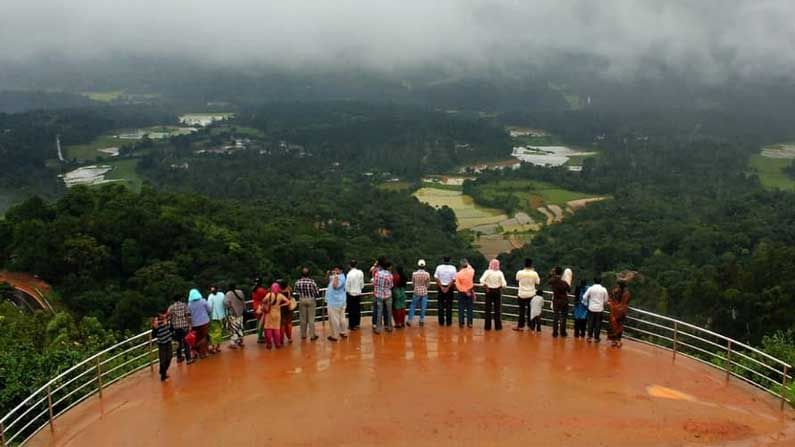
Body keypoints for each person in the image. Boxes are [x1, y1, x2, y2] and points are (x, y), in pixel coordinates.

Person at [479, 259, 507, 331]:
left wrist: (486, 287)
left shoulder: (487, 272)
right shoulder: (500, 273)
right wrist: (499, 287)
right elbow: (504, 284)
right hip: (497, 291)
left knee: (488, 309)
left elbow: (481, 280)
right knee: (497, 310)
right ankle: (498, 327)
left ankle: (487, 327)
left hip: (489, 291)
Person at [514, 259, 540, 331]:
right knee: (530, 311)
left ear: (524, 264)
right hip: (531, 294)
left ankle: (520, 326)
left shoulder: (519, 272)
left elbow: (517, 279)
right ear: (531, 265)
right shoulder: (534, 273)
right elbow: (538, 282)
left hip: (521, 293)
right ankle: (530, 326)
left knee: (521, 311)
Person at [295, 268, 321, 341]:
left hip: (302, 299)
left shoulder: (298, 282)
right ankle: (312, 336)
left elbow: (296, 291)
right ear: (309, 274)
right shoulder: (312, 282)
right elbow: (317, 292)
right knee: (311, 319)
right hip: (311, 299)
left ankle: (303, 335)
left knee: (303, 319)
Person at [261, 283, 289, 349]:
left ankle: (269, 344)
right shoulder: (280, 295)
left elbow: (263, 301)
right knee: (276, 329)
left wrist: (266, 304)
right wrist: (281, 305)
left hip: (269, 313)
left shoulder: (269, 295)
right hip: (277, 314)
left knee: (268, 328)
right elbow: (288, 302)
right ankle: (278, 344)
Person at [167, 295, 192, 364]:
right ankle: (188, 359)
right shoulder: (184, 305)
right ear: (180, 299)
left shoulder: (171, 307)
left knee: (178, 343)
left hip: (176, 328)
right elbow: (187, 315)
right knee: (186, 343)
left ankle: (179, 357)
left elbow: (168, 316)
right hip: (184, 326)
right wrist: (189, 324)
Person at [325, 266, 348, 341]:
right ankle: (343, 332)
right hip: (340, 301)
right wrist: (328, 274)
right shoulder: (337, 276)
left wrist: (335, 276)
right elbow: (326, 281)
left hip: (335, 302)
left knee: (334, 320)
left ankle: (334, 336)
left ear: (341, 270)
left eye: (336, 270)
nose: (335, 271)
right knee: (342, 318)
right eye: (334, 270)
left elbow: (335, 286)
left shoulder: (340, 277)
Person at [372, 257, 394, 334]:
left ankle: (378, 329)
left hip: (378, 295)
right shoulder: (390, 275)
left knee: (379, 312)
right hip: (387, 295)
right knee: (388, 311)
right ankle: (389, 327)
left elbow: (374, 283)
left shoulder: (377, 274)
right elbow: (391, 286)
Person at [187, 288, 211, 359]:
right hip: (205, 322)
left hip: (195, 324)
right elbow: (209, 309)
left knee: (197, 338)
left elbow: (189, 315)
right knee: (204, 337)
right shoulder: (203, 301)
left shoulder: (189, 304)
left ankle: (196, 351)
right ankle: (203, 353)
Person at [584, 277, 609, 343]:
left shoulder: (591, 288)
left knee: (590, 323)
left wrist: (587, 303)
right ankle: (596, 338)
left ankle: (589, 337)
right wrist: (603, 303)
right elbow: (606, 300)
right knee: (598, 324)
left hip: (591, 308)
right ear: (601, 281)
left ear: (594, 281)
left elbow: (584, 297)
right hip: (600, 309)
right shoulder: (604, 289)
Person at [434, 256, 457, 326]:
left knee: (440, 305)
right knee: (449, 305)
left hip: (441, 287)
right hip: (450, 288)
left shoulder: (439, 267)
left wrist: (441, 286)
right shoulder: (453, 268)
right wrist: (448, 287)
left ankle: (441, 322)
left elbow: (436, 277)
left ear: (443, 260)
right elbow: (454, 279)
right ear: (449, 261)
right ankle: (448, 322)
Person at [548, 267, 571, 337]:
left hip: (556, 300)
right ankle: (563, 332)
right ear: (561, 273)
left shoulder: (553, 281)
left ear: (555, 273)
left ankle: (555, 333)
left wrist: (551, 274)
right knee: (563, 317)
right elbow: (569, 290)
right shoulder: (564, 283)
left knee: (556, 316)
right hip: (564, 300)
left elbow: (548, 280)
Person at [608, 281, 632, 348]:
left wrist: (613, 307)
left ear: (618, 285)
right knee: (620, 326)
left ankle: (613, 341)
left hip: (614, 311)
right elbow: (627, 302)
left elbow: (610, 299)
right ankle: (618, 341)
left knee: (613, 326)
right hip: (622, 312)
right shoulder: (627, 293)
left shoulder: (614, 292)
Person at [152, 312, 174, 382]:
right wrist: (155, 328)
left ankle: (163, 371)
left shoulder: (167, 322)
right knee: (163, 360)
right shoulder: (156, 325)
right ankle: (163, 376)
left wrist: (167, 323)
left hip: (168, 341)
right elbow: (154, 335)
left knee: (169, 357)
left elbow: (172, 329)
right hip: (161, 344)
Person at [408, 259, 430, 327]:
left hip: (416, 292)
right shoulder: (427, 274)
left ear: (418, 265)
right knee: (423, 307)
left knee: (413, 306)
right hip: (424, 292)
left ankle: (410, 320)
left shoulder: (414, 274)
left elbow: (413, 284)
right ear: (424, 266)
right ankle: (421, 320)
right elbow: (428, 284)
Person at [224, 283, 246, 349]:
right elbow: (243, 301)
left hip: (233, 314)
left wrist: (230, 306)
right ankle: (241, 341)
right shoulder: (240, 292)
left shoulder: (228, 294)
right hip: (240, 313)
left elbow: (226, 303)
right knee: (240, 327)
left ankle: (233, 343)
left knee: (233, 328)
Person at [455, 259, 475, 328]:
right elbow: (470, 267)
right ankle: (470, 323)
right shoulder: (471, 271)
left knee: (461, 308)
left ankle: (461, 323)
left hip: (462, 293)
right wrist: (468, 291)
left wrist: (464, 290)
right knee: (470, 308)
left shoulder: (458, 274)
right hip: (470, 291)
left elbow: (457, 285)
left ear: (461, 265)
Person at [345, 260, 364, 331]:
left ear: (349, 265)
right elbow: (362, 284)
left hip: (351, 294)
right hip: (358, 293)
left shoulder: (349, 274)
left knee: (351, 310)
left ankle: (352, 325)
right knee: (357, 309)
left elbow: (347, 286)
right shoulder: (360, 272)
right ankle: (357, 324)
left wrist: (348, 291)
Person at [207, 285, 226, 354]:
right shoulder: (222, 294)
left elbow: (209, 307)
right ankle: (218, 347)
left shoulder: (210, 296)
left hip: (213, 317)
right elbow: (224, 303)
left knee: (213, 333)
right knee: (219, 331)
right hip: (222, 316)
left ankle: (214, 347)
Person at [278, 279, 295, 344]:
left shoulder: (278, 292)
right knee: (289, 323)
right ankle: (289, 337)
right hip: (288, 308)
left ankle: (281, 339)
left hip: (281, 309)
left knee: (281, 325)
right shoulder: (289, 290)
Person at [251, 279, 268, 344]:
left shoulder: (254, 290)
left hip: (255, 307)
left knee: (259, 322)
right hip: (260, 307)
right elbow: (266, 296)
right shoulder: (261, 290)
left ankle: (260, 336)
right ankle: (260, 338)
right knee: (262, 323)